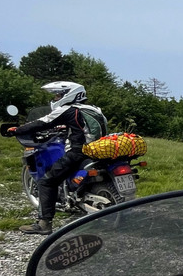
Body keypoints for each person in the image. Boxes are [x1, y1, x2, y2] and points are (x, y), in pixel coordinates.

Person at [6, 81, 108, 235]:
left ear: (70, 94)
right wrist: (65, 126)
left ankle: (44, 224)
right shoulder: (95, 110)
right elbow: (85, 126)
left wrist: (18, 130)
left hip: (78, 152)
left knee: (47, 181)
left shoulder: (67, 110)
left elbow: (42, 122)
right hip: (100, 150)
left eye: (59, 94)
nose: (56, 98)